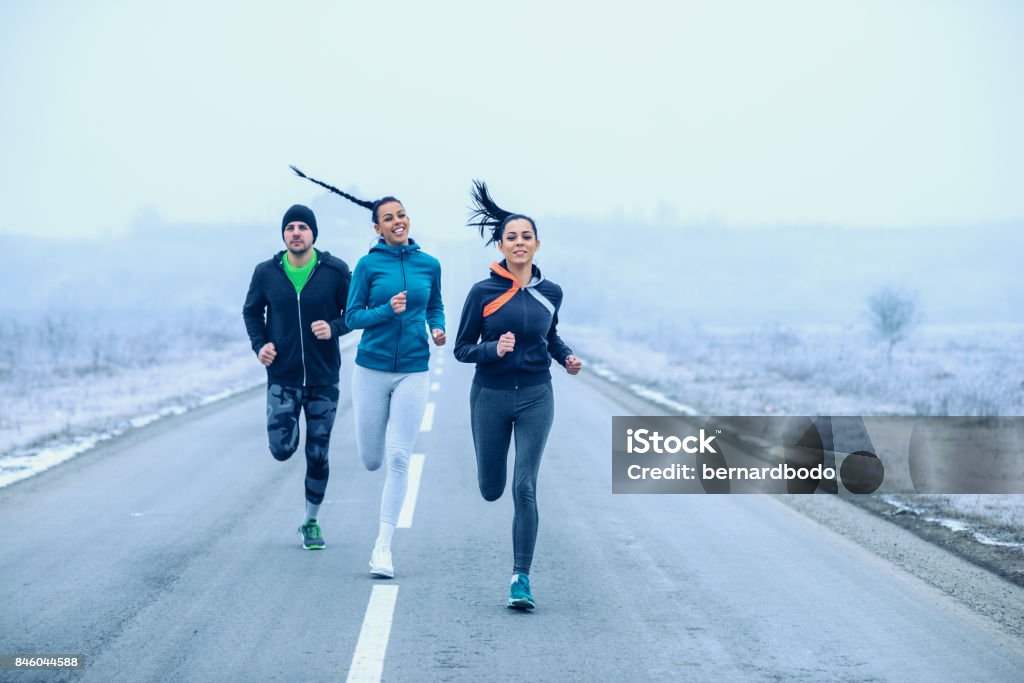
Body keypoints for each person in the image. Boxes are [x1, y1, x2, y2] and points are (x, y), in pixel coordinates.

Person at [292, 166, 445, 578]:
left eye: (402, 214)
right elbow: (354, 316)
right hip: (371, 370)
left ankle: (383, 547)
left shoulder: (429, 264)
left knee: (399, 457)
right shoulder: (366, 266)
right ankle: (379, 525)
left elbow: (435, 304)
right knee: (373, 458)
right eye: (389, 217)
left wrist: (437, 327)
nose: (398, 221)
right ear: (378, 228)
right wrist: (386, 310)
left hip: (414, 369)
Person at [454, 181, 583, 609]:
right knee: (492, 488)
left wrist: (565, 358)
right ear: (501, 245)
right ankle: (487, 477)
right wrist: (494, 349)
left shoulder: (551, 293)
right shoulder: (482, 293)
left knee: (524, 486)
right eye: (512, 237)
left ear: (537, 244)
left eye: (526, 236)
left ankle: (520, 578)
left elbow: (551, 335)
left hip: (535, 396)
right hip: (489, 396)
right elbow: (461, 348)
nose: (519, 242)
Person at [242, 203, 352, 550]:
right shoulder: (266, 273)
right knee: (282, 449)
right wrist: (260, 345)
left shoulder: (335, 271)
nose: (296, 233)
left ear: (313, 234)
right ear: (284, 235)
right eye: (290, 227)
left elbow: (354, 313)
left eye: (303, 227)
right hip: (283, 377)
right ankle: (287, 449)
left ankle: (311, 521)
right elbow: (251, 311)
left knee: (318, 453)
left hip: (323, 378)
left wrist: (333, 327)